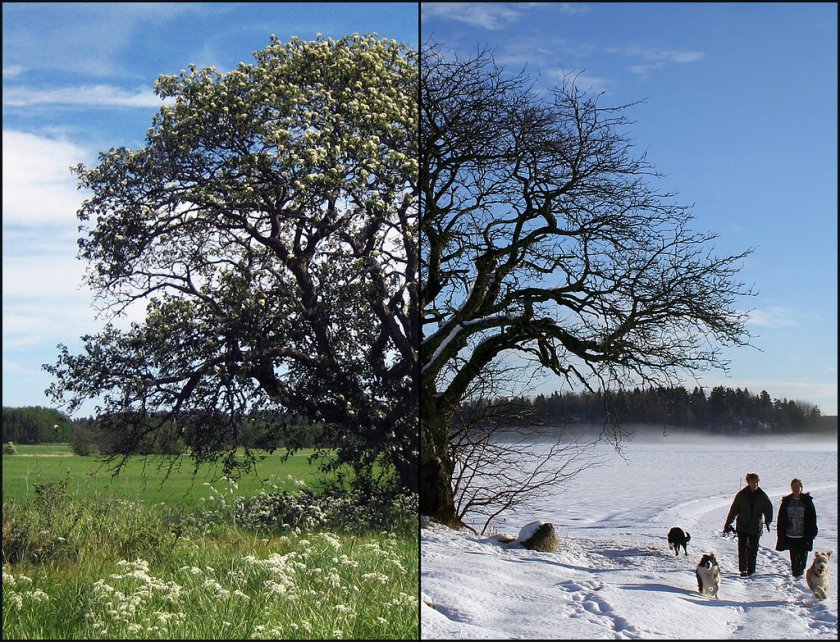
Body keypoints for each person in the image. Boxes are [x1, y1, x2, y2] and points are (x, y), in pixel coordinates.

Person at [723, 472, 774, 576]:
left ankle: (751, 569)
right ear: (748, 482)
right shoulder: (742, 495)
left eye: (756, 482)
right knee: (742, 548)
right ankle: (743, 569)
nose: (755, 484)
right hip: (743, 525)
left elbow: (768, 508)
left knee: (753, 549)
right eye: (753, 481)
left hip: (756, 526)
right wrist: (728, 523)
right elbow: (734, 510)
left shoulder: (762, 495)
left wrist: (768, 520)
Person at [775, 478, 818, 578]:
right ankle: (795, 571)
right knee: (793, 555)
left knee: (803, 554)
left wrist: (813, 531)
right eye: (794, 487)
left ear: (801, 488)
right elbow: (781, 518)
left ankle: (801, 569)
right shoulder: (787, 501)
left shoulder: (807, 501)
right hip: (790, 533)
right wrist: (781, 531)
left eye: (798, 487)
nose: (795, 489)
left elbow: (812, 517)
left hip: (803, 534)